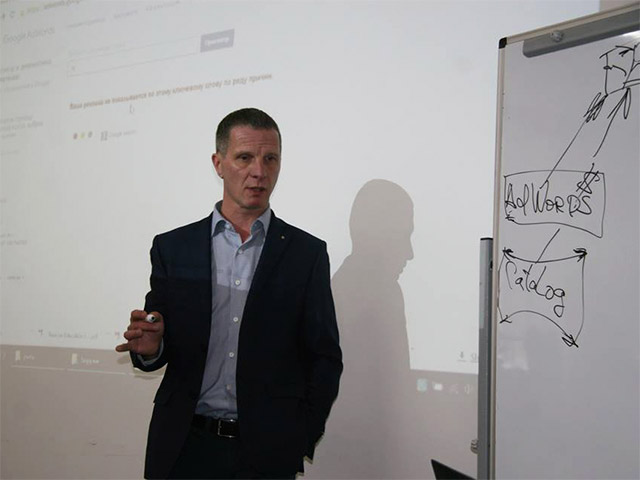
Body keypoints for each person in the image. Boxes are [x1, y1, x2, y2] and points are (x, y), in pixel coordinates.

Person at [116, 108, 342, 479]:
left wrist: (299, 435)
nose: (259, 171)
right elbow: (157, 339)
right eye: (245, 157)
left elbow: (324, 356)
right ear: (218, 164)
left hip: (266, 455)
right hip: (184, 447)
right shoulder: (174, 248)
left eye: (270, 159)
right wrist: (152, 347)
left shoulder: (305, 254)